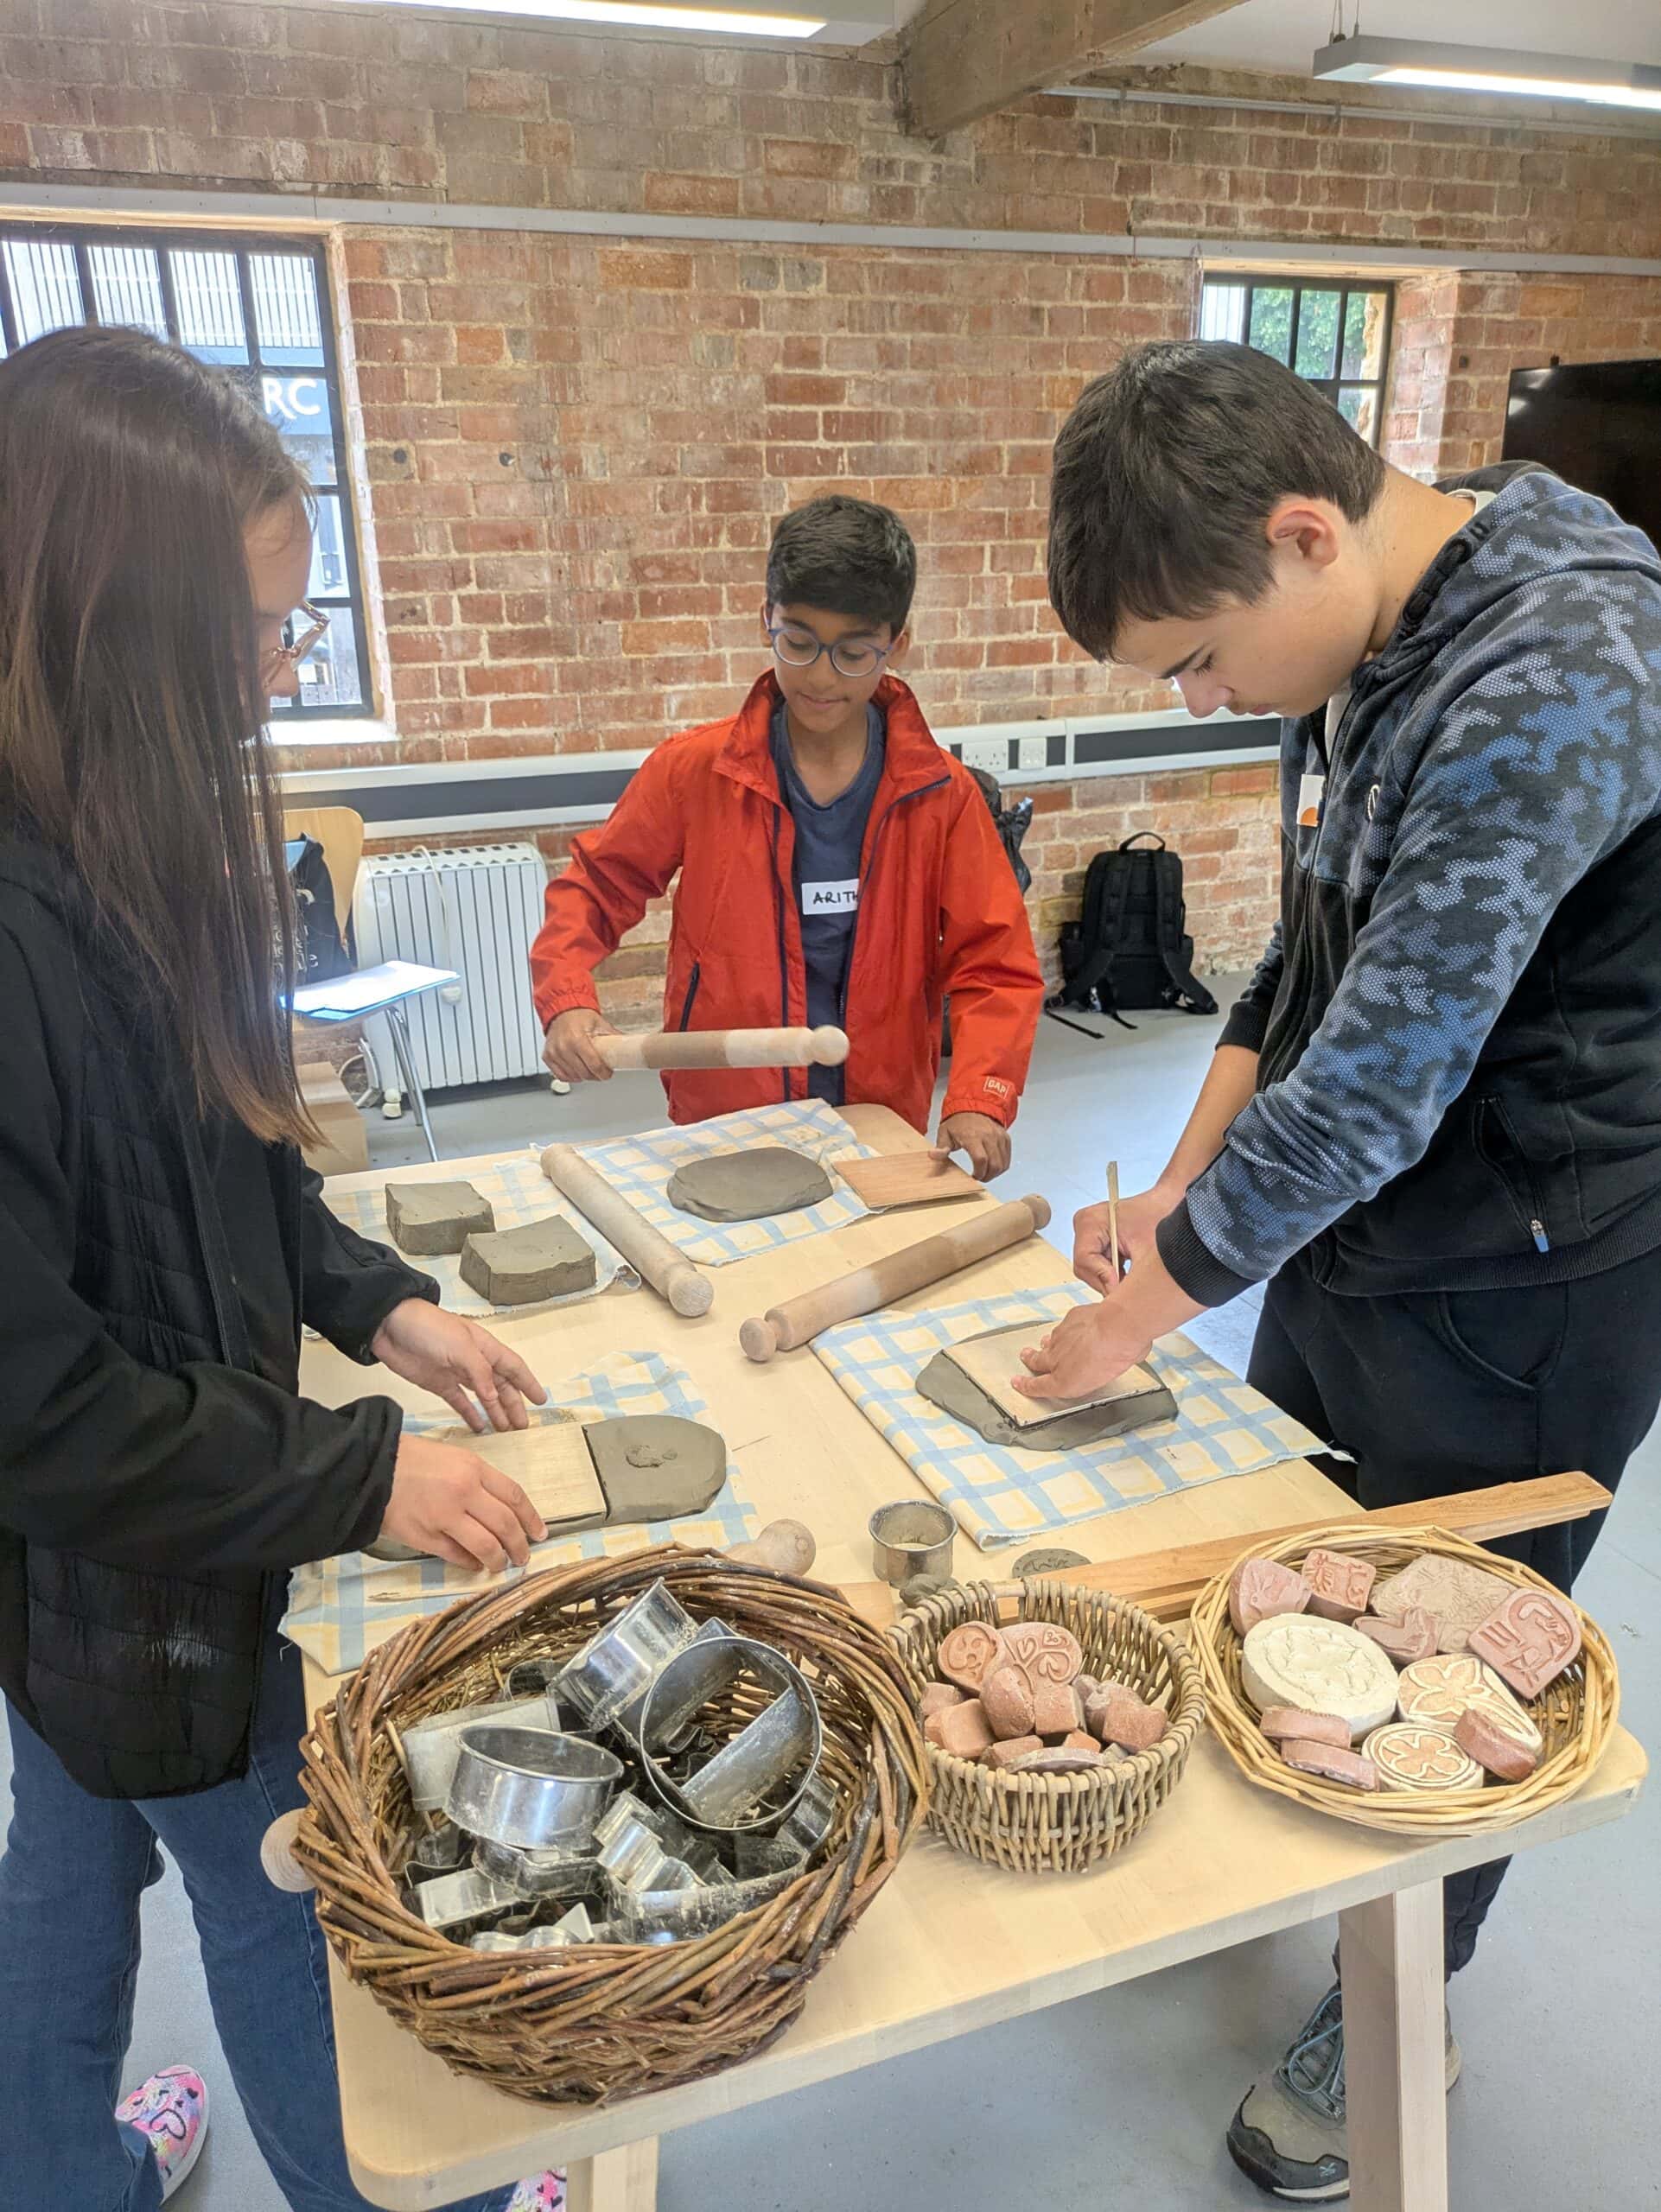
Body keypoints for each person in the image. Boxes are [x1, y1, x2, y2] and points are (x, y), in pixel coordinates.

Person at [1035, 340, 1661, 2202]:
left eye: (1201, 659)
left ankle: (1396, 1999)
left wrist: (1133, 1314)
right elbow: (1301, 968)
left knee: (1448, 1681)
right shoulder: (1371, 632)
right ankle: (1296, 1875)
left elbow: (1382, 1081)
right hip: (1362, 1233)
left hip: (1529, 1267)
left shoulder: (1557, 666)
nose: (1214, 700)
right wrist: (1170, 1199)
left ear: (1305, 531)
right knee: (1283, 1583)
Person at [0, 327, 564, 2212]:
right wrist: (361, 1472)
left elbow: (226, 1160)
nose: (279, 675)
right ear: (113, 622)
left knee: (68, 1853)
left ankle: (64, 2168)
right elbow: (43, 1404)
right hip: (132, 1556)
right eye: (256, 634)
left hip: (113, 1564)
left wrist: (379, 1305)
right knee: (279, 1896)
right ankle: (415, 2200)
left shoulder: (130, 836)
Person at [531, 493, 1043, 1180]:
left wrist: (981, 1094)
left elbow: (996, 962)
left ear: (898, 645)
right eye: (798, 642)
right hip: (725, 1109)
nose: (822, 676)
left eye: (855, 652)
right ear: (766, 619)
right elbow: (597, 886)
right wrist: (568, 1000)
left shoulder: (941, 796)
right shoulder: (696, 771)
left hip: (878, 1110)